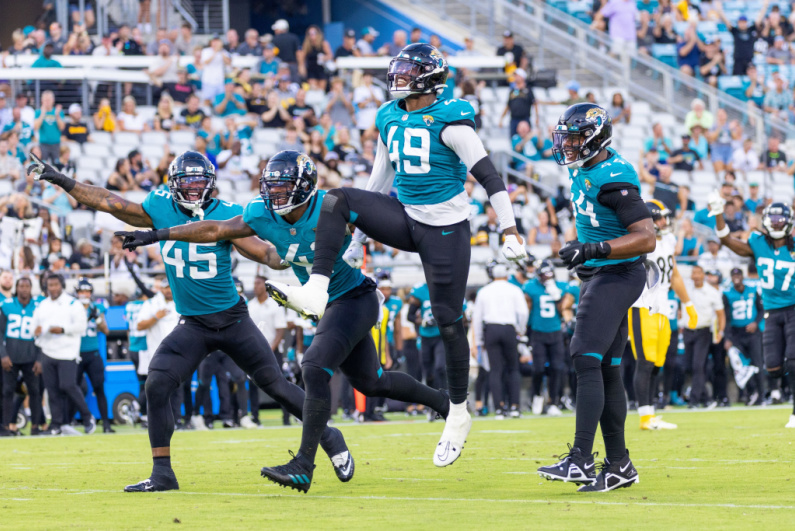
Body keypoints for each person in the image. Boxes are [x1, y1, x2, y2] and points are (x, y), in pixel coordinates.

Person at [114, 150, 454, 492]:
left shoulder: (332, 205)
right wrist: (160, 234)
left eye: (282, 187)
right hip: (325, 303)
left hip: (354, 297)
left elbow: (390, 220)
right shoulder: (261, 214)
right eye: (271, 186)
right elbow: (218, 229)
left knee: (314, 366)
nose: (273, 193)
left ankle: (304, 465)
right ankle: (443, 401)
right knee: (373, 381)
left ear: (304, 186)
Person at [265, 44, 527, 468]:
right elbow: (379, 177)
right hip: (406, 217)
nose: (399, 77)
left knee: (448, 319)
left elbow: (490, 177)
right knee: (337, 198)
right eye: (398, 69)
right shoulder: (388, 115)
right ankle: (316, 289)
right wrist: (357, 230)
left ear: (429, 77)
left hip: (445, 228)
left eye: (407, 70)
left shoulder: (452, 117)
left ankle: (457, 411)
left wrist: (509, 229)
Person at [27, 150, 352, 491]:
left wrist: (298, 251)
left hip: (232, 320)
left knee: (276, 386)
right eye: (188, 181)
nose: (195, 188)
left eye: (201, 181)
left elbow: (266, 255)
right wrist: (60, 179)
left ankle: (330, 437)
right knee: (157, 383)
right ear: (174, 183)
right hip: (193, 324)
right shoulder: (160, 205)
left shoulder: (227, 215)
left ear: (211, 183)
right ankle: (163, 473)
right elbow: (111, 202)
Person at [536, 103, 656, 492]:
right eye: (565, 138)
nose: (567, 146)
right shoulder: (586, 168)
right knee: (605, 368)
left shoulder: (614, 177)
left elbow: (647, 237)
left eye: (573, 138)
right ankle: (619, 465)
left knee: (584, 356)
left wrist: (592, 249)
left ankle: (581, 459)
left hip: (616, 273)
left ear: (595, 137)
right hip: (600, 274)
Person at [709, 198, 795, 428]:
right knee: (774, 368)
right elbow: (726, 239)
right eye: (773, 220)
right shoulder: (758, 243)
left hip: (793, 309)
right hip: (771, 313)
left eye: (780, 220)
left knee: (793, 361)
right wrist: (718, 213)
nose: (776, 225)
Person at [629, 201, 697, 430]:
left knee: (658, 362)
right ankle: (645, 416)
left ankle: (652, 413)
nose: (664, 223)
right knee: (645, 360)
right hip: (642, 304)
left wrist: (687, 303)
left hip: (663, 306)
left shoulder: (667, 241)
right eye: (659, 218)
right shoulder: (638, 242)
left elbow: (675, 274)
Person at [32, 274, 96, 435]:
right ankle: (56, 425)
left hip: (67, 352)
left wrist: (62, 329)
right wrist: (37, 331)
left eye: (55, 285)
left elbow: (81, 326)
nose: (53, 288)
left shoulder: (73, 303)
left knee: (68, 385)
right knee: (52, 390)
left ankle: (88, 417)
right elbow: (34, 326)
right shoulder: (42, 305)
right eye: (50, 285)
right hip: (47, 351)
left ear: (62, 285)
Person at [471, 261, 527, 419]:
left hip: (491, 329)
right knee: (513, 368)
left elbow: (477, 318)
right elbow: (523, 313)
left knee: (495, 370)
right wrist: (520, 330)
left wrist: (479, 341)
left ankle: (499, 408)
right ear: (506, 275)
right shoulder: (514, 289)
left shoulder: (484, 291)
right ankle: (515, 406)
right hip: (509, 328)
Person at [523, 260, 570, 416]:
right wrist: (524, 332)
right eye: (543, 274)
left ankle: (553, 402)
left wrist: (555, 293)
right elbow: (526, 310)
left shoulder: (561, 287)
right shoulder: (530, 287)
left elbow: (564, 308)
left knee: (557, 368)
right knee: (538, 368)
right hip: (537, 332)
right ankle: (536, 396)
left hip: (556, 331)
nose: (546, 277)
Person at [0, 277, 44, 436]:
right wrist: (3, 355)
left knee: (35, 392)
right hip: (10, 358)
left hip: (31, 357)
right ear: (16, 288)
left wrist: (39, 359)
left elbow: (42, 336)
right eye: (21, 286)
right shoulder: (7, 305)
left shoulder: (39, 307)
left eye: (27, 286)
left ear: (31, 288)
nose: (24, 289)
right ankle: (5, 427)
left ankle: (35, 427)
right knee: (6, 391)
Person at [75, 277, 114, 433]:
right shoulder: (73, 307)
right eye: (82, 291)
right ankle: (71, 421)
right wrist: (85, 317)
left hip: (93, 353)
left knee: (99, 388)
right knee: (73, 388)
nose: (84, 294)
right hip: (76, 353)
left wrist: (97, 318)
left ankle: (106, 424)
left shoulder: (97, 307)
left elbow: (106, 330)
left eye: (87, 291)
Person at [722, 267, 766, 405]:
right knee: (741, 366)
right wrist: (728, 337)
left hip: (752, 333)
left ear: (743, 276)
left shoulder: (752, 290)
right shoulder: (727, 293)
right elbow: (727, 318)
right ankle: (750, 393)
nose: (736, 277)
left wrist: (755, 323)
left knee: (757, 363)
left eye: (738, 275)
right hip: (736, 333)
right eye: (734, 275)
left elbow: (761, 310)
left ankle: (762, 395)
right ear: (731, 277)